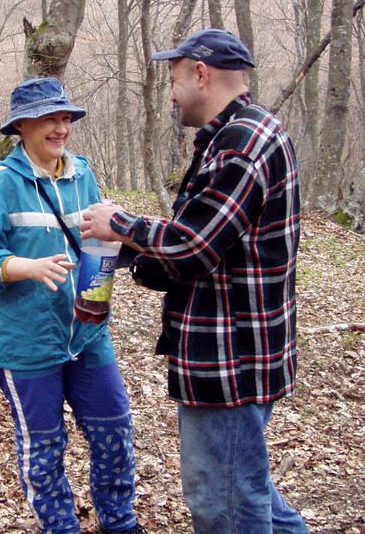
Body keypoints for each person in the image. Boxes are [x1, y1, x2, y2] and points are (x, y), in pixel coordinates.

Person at [79, 29, 308, 533]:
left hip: (230, 358)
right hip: (237, 350)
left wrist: (121, 225)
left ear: (201, 74)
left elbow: (195, 245)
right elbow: (207, 245)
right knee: (249, 488)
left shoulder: (243, 144)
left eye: (174, 79)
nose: (171, 93)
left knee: (224, 501)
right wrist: (134, 255)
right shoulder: (236, 135)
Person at [0, 77, 146, 534]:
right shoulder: (0, 182)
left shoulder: (83, 174)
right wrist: (26, 266)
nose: (61, 128)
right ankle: (60, 527)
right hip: (26, 341)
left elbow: (97, 243)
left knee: (114, 430)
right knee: (43, 446)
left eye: (65, 118)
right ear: (22, 126)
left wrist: (123, 249)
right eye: (49, 119)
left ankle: (119, 522)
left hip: (87, 333)